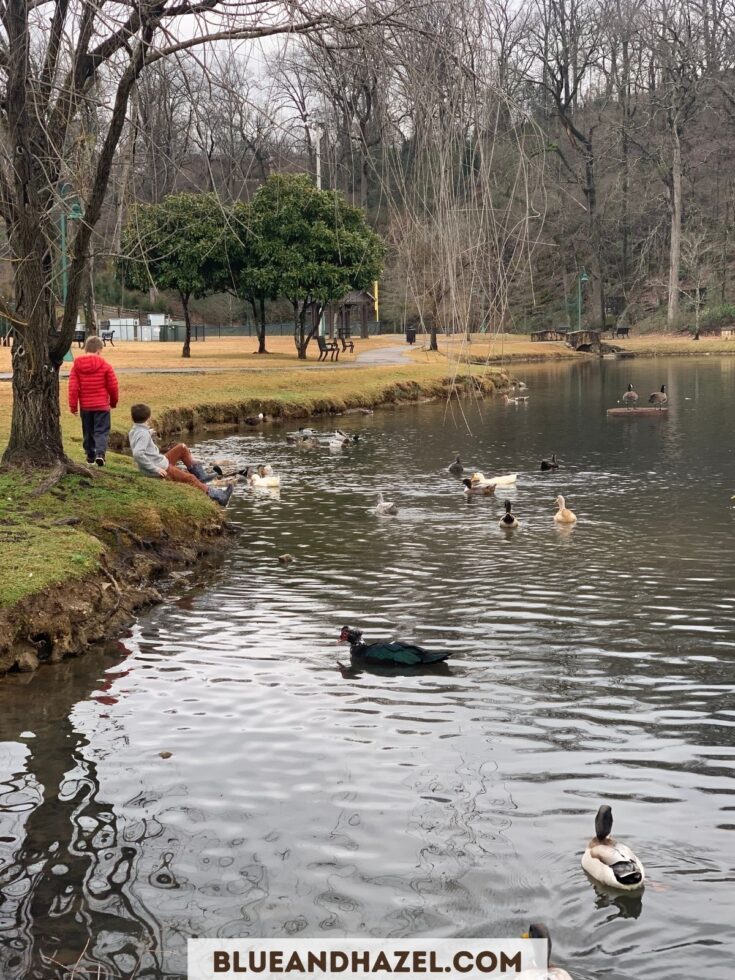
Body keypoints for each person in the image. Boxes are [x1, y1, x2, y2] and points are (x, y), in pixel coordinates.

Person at [128, 404, 233, 507]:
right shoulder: (143, 434)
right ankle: (220, 497)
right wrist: (155, 469)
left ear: (133, 419)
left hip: (160, 461)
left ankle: (201, 476)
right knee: (190, 478)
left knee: (181, 447)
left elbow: (139, 438)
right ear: (148, 417)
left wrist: (148, 433)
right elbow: (137, 454)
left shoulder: (136, 430)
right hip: (159, 468)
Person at [68, 336, 119, 466]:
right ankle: (100, 454)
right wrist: (113, 402)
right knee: (101, 431)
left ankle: (90, 456)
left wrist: (73, 406)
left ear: (86, 349)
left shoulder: (76, 366)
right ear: (98, 350)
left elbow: (73, 388)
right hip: (102, 405)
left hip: (86, 406)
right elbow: (113, 386)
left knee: (88, 431)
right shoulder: (105, 366)